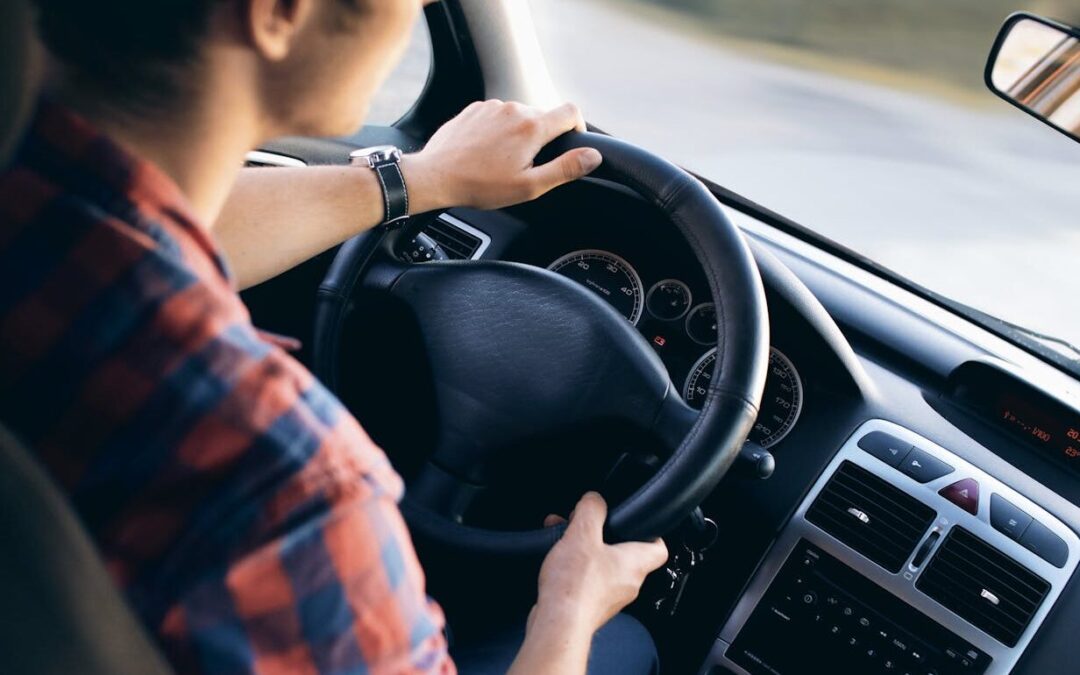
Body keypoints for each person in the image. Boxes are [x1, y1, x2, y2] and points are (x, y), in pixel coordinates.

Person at [0, 0, 670, 673]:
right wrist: (568, 609)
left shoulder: (36, 207)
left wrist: (425, 178)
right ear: (277, 14)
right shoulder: (285, 486)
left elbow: (154, 228)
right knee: (624, 645)